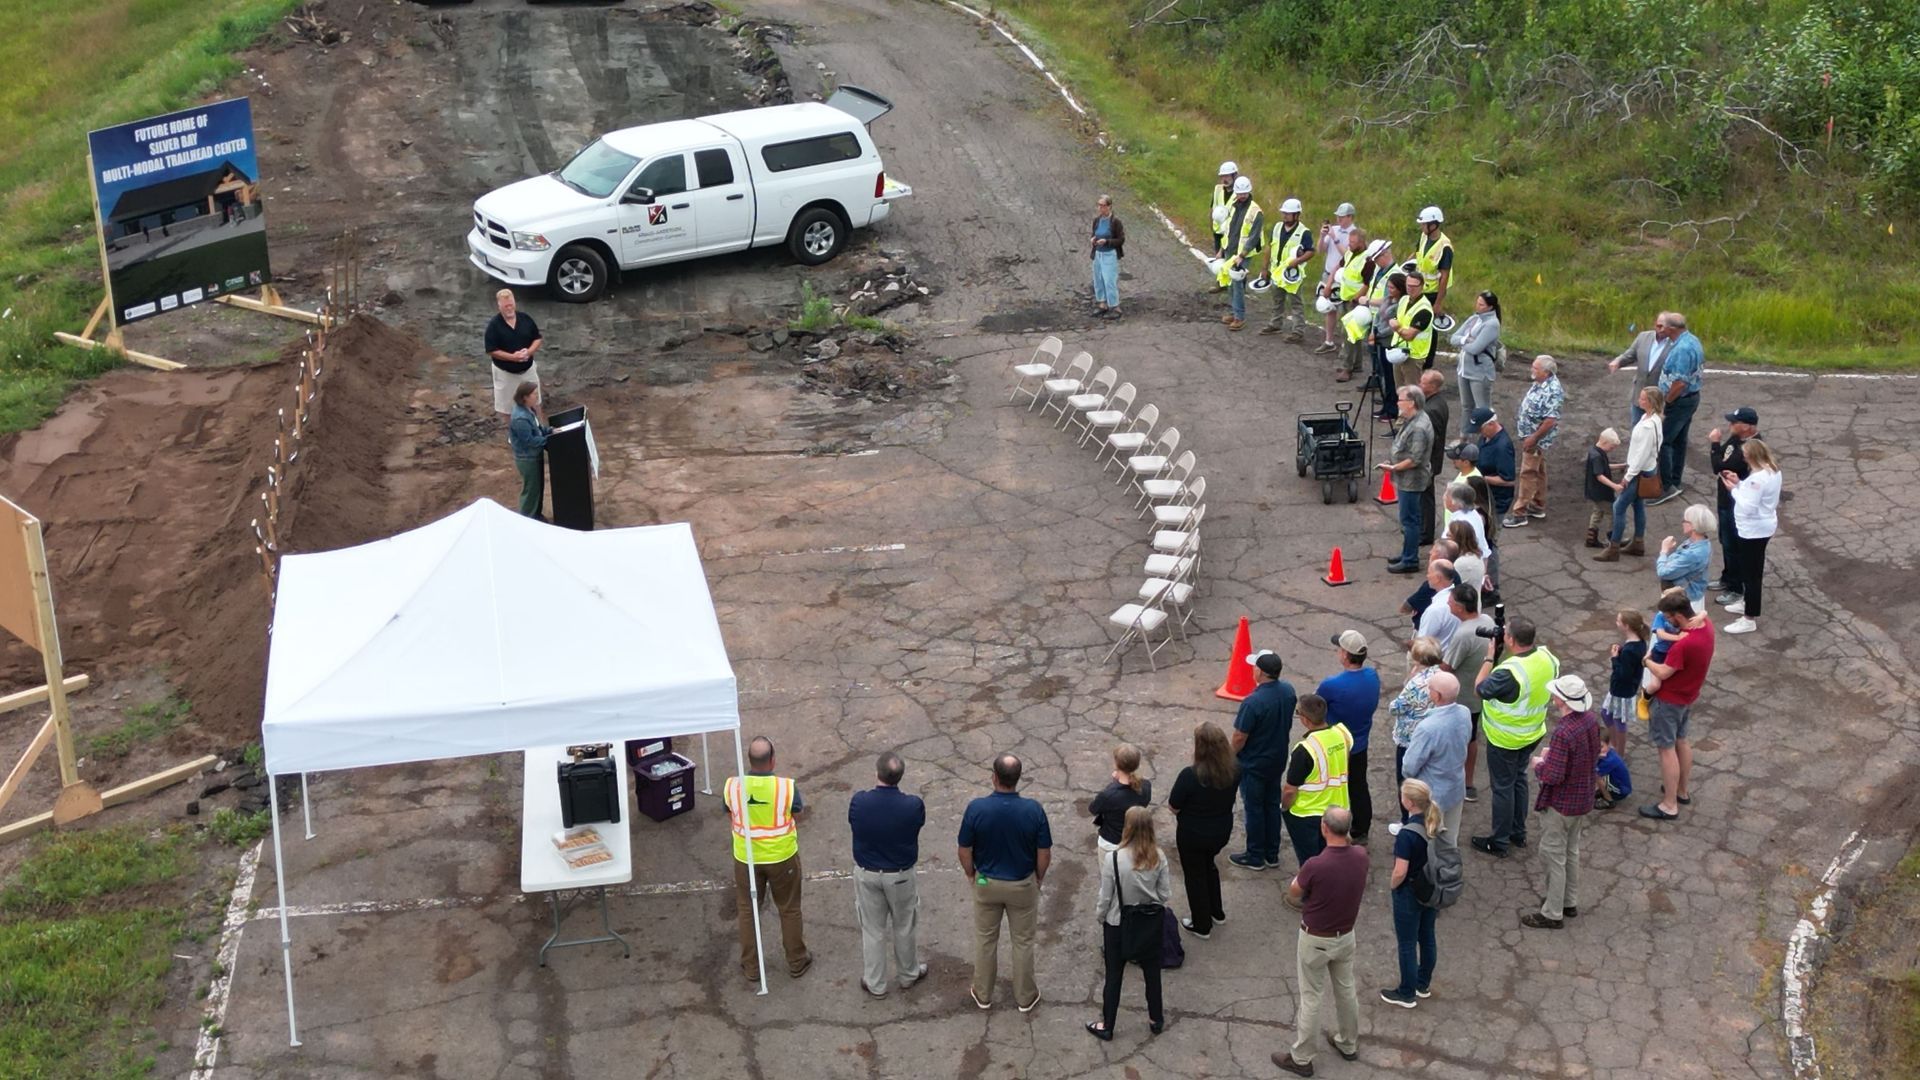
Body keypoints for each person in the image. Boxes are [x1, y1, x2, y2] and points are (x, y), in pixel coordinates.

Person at [1272, 807, 1369, 1076]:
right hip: (1345, 935)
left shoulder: (1315, 865)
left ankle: (1302, 1058)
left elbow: (1294, 892)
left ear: (1324, 828)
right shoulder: (1360, 856)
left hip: (1315, 937)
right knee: (1346, 989)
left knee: (1311, 997)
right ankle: (1348, 1042)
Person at [958, 753, 1052, 1010]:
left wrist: (971, 874)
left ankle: (983, 993)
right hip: (1022, 884)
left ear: (994, 777)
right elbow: (1044, 853)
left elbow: (964, 849)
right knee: (1023, 941)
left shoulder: (976, 808)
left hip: (986, 883)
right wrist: (1038, 878)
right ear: (1018, 778)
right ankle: (1025, 996)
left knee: (986, 938)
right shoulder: (1033, 810)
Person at [1471, 617, 1561, 857]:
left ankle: (1499, 841)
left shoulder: (1508, 673)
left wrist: (1490, 657)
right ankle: (1518, 833)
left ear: (1510, 639)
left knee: (1503, 787)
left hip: (1505, 738)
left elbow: (1480, 689)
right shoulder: (1548, 658)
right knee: (1519, 779)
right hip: (1532, 732)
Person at [723, 736, 811, 981]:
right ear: (772, 760)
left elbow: (730, 814)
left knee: (747, 910)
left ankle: (751, 966)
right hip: (782, 857)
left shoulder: (732, 786)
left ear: (749, 760)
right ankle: (796, 960)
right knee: (789, 909)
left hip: (746, 858)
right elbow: (798, 815)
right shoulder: (786, 788)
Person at [1523, 675, 1602, 929]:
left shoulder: (1563, 732)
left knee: (1552, 855)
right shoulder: (1590, 720)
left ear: (1563, 701)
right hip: (1582, 797)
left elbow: (1553, 776)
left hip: (1561, 804)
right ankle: (1568, 901)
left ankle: (1552, 912)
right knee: (1571, 851)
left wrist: (1539, 764)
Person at [848, 752, 928, 997]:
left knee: (872, 930)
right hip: (900, 875)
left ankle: (875, 983)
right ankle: (908, 974)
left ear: (877, 773)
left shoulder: (859, 802)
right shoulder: (913, 805)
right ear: (900, 776)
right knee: (904, 926)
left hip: (868, 874)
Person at [1088, 806, 1171, 1040]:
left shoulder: (1114, 858)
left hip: (1118, 923)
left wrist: (1101, 917)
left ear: (1127, 827)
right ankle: (1156, 1019)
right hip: (1148, 923)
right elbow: (1164, 894)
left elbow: (1105, 897)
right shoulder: (1159, 857)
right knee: (1152, 972)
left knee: (1114, 975)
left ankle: (1108, 1025)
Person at [1640, 593, 1715, 821]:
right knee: (1681, 741)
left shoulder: (1683, 645)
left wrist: (1647, 661)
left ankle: (1669, 805)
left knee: (1666, 749)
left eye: (1668, 617)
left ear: (1678, 616)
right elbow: (1704, 614)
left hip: (1668, 701)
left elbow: (1663, 672)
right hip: (1687, 696)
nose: (1666, 621)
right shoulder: (1706, 626)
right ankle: (1681, 791)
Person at [1229, 650, 1297, 871]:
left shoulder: (1253, 702)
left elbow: (1240, 736)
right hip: (1277, 759)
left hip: (1254, 763)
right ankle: (1272, 853)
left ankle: (1255, 854)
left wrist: (1229, 756)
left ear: (1260, 672)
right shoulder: (1288, 691)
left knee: (1254, 808)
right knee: (1271, 804)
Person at [1170, 721, 1238, 938]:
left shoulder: (1190, 775)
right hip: (1221, 830)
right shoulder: (1235, 769)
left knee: (1195, 876)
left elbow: (1174, 805)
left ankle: (1201, 924)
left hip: (1193, 835)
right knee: (1209, 866)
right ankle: (1216, 911)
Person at [1380, 779, 1442, 1007]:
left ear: (1409, 803)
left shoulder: (1406, 835)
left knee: (1407, 943)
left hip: (1409, 892)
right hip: (1431, 888)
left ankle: (1406, 992)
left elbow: (1400, 871)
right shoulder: (1433, 822)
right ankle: (1422, 983)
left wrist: (1393, 886)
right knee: (1427, 936)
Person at [1315, 630, 1379, 841]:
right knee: (1359, 786)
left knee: (1330, 787)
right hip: (1360, 743)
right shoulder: (1372, 676)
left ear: (1344, 654)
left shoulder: (1332, 685)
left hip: (1336, 745)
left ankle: (1330, 828)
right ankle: (1361, 829)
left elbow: (1316, 705)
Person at [1283, 693, 1354, 864]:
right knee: (1332, 857)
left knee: (1310, 862)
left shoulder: (1304, 749)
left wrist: (1284, 807)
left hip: (1307, 813)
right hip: (1338, 808)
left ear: (1304, 718)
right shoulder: (1342, 733)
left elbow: (1290, 790)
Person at [1720, 438, 1781, 636]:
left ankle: (1749, 618)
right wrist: (1740, 483)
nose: (1744, 458)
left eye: (1746, 455)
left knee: (1751, 574)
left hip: (1753, 530)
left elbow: (1749, 506)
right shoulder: (1772, 471)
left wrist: (1733, 490)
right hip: (1760, 526)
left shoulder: (1758, 479)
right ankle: (1747, 603)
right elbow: (1755, 494)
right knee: (1750, 570)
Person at [1438, 585, 1493, 802]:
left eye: (1451, 602)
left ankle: (1456, 784)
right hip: (1479, 694)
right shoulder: (1487, 621)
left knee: (1457, 741)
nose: (1448, 604)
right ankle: (1468, 783)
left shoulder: (1464, 634)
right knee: (1472, 739)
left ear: (1460, 608)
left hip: (1463, 698)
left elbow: (1447, 667)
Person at [1403, 672, 1470, 847]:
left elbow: (1409, 766)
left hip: (1431, 795)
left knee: (1426, 842)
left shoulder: (1428, 728)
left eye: (1430, 688)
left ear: (1437, 696)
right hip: (1455, 787)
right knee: (1449, 841)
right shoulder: (1464, 713)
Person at [1597, 388, 1664, 561]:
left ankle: (1613, 548)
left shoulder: (1647, 426)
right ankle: (1638, 542)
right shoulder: (1653, 419)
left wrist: (1628, 476)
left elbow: (1641, 455)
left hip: (1639, 472)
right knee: (1638, 504)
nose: (1639, 400)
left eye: (1643, 399)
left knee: (1618, 507)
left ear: (1650, 402)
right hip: (1647, 469)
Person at [1387, 637, 1443, 830]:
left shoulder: (1416, 682)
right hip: (1433, 734)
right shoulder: (1441, 675)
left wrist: (1408, 681)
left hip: (1409, 737)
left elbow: (1395, 707)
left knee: (1406, 782)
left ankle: (1407, 822)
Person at [1651, 312, 1705, 504]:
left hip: (1678, 401)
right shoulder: (1692, 340)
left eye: (1662, 326)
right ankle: (1675, 479)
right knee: (1679, 441)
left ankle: (1666, 486)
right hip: (1690, 399)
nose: (1659, 329)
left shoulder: (1682, 349)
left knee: (1663, 441)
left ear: (1671, 329)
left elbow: (1680, 383)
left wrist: (1666, 402)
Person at [1505, 356, 1565, 527]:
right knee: (1539, 470)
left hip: (1536, 439)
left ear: (1546, 372)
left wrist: (1534, 438)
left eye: (1535, 368)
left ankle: (1520, 513)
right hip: (1531, 436)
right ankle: (1538, 505)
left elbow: (1550, 420)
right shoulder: (1540, 383)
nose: (1532, 370)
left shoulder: (1553, 391)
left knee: (1528, 473)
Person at [1709, 407, 1760, 603]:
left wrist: (1714, 444)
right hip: (1726, 499)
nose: (1730, 425)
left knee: (1734, 546)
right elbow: (1723, 459)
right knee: (1725, 541)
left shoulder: (1752, 448)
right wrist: (1719, 452)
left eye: (1734, 422)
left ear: (1746, 426)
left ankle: (1736, 588)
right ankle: (1728, 577)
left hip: (1736, 503)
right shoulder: (1736, 439)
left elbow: (1719, 466)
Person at [1383, 386, 1435, 573]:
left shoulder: (1419, 427)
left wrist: (1394, 468)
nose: (1398, 403)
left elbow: (1415, 459)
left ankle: (1410, 560)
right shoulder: (1414, 419)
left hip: (1411, 480)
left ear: (1412, 403)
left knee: (1410, 521)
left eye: (1401, 400)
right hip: (1408, 478)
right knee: (1410, 519)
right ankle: (1407, 553)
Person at [1261, 197, 1315, 338]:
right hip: (1276, 271)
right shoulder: (1277, 227)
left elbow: (1310, 252)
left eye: (1287, 213)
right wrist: (1264, 268)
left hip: (1292, 274)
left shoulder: (1304, 232)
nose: (1284, 216)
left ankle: (1298, 331)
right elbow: (1269, 247)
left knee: (1295, 303)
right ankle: (1275, 324)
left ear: (1296, 215)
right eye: (1283, 213)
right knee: (1277, 300)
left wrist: (1298, 261)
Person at [485, 288, 542, 417]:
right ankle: (513, 430)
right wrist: (512, 357)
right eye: (506, 306)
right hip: (506, 374)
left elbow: (537, 338)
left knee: (535, 403)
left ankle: (539, 427)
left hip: (528, 370)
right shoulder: (494, 326)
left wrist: (529, 351)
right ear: (499, 306)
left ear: (515, 303)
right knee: (508, 409)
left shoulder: (525, 319)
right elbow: (491, 350)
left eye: (511, 305)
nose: (509, 308)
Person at [1450, 292, 1502, 431]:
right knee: (1466, 406)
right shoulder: (1473, 319)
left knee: (1482, 409)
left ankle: (1487, 438)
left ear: (1490, 307)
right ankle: (1464, 437)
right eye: (1477, 303)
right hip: (1464, 370)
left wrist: (1462, 343)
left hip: (1480, 373)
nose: (1477, 306)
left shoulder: (1492, 324)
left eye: (1481, 305)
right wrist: (1466, 340)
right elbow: (1453, 338)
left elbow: (1475, 349)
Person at [1325, 230, 1374, 378]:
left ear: (1361, 243)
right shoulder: (1349, 254)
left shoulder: (1368, 260)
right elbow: (1339, 267)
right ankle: (1357, 364)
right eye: (1349, 241)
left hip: (1357, 303)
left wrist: (1356, 299)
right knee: (1354, 334)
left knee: (1348, 334)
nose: (1349, 244)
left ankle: (1347, 367)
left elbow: (1367, 284)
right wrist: (1329, 284)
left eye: (1352, 242)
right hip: (1346, 299)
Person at [1217, 177, 1264, 331]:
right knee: (1230, 282)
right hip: (1230, 249)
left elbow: (1254, 237)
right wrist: (1222, 249)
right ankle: (1233, 312)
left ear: (1249, 192)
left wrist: (1242, 255)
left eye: (1245, 193)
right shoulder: (1233, 205)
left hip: (1243, 253)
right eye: (1239, 193)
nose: (1242, 196)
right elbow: (1228, 228)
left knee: (1237, 283)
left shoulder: (1256, 212)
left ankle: (1239, 317)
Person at [1602, 610, 1650, 759]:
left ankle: (1618, 751)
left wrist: (1615, 658)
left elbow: (1624, 674)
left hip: (1621, 691)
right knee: (1608, 714)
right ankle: (1615, 746)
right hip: (1625, 689)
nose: (1616, 623)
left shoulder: (1630, 650)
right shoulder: (1639, 642)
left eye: (1618, 621)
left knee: (1617, 720)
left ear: (1627, 626)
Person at [1605, 317, 1667, 426]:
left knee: (1657, 428)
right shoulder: (1643, 337)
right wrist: (1618, 361)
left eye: (1665, 327)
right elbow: (1631, 353)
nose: (1661, 329)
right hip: (1640, 393)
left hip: (1660, 397)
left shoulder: (1675, 343)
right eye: (1659, 326)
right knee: (1636, 426)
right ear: (1654, 324)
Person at [1089, 743, 1151, 852]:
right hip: (1134, 839)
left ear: (1116, 764)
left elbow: (1093, 809)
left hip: (1112, 841)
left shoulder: (1109, 794)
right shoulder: (1146, 786)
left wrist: (1114, 784)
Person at [1313, 203, 1358, 353]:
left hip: (1345, 277)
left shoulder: (1355, 234)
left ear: (1350, 217)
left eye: (1342, 217)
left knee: (1346, 311)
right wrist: (1322, 236)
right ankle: (1329, 340)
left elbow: (1348, 255)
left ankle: (1347, 345)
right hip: (1328, 273)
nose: (1338, 219)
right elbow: (1320, 250)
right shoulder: (1334, 230)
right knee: (1329, 308)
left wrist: (1335, 238)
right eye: (1338, 216)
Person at [1656, 505, 1717, 607]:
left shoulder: (1692, 554)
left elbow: (1664, 573)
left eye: (1685, 521)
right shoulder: (1702, 542)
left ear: (1693, 525)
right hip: (1692, 594)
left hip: (1683, 600)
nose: (1682, 523)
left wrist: (1664, 551)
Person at [507, 381, 551, 520]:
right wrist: (550, 440)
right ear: (525, 397)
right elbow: (529, 441)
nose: (536, 396)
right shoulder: (520, 418)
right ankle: (527, 518)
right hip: (527, 460)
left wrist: (550, 431)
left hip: (534, 456)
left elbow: (538, 429)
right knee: (531, 491)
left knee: (537, 489)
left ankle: (536, 515)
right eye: (534, 394)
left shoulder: (529, 410)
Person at [1419, 370, 1450, 543]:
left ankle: (1425, 533)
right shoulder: (1436, 402)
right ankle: (1422, 528)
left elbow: (1433, 440)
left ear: (1433, 386)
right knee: (1424, 497)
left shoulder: (1432, 409)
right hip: (1430, 461)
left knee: (1425, 498)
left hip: (1428, 462)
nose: (1419, 384)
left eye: (1423, 383)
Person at [1471, 408, 1517, 521]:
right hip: (1484, 498)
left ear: (1491, 424)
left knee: (1490, 531)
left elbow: (1509, 480)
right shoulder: (1486, 437)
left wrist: (1482, 478)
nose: (1479, 433)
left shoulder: (1502, 447)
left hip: (1495, 502)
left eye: (1480, 429)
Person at [1089, 195, 1126, 319]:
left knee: (1109, 280)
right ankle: (1102, 303)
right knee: (1098, 279)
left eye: (1103, 205)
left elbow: (1121, 239)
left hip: (1109, 254)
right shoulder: (1097, 220)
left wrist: (1107, 242)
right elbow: (1095, 233)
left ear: (1109, 206)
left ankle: (1115, 306)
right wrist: (1094, 239)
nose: (1100, 208)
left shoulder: (1115, 222)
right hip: (1098, 254)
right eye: (1099, 205)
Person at [1584, 428, 1623, 548]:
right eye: (1611, 447)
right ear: (1605, 442)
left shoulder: (1595, 451)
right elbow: (1599, 475)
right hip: (1601, 492)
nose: (1612, 449)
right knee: (1613, 513)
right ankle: (1613, 538)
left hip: (1594, 491)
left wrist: (1621, 465)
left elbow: (1604, 466)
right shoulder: (1597, 456)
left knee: (1597, 511)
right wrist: (1614, 486)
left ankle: (1591, 538)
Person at [1412, 205, 1454, 314]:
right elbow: (1416, 253)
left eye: (1423, 224)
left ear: (1433, 225)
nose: (1421, 227)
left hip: (1432, 293)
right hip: (1419, 286)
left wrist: (1438, 303)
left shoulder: (1445, 247)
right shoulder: (1424, 236)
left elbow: (1444, 277)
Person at [1414, 568, 1461, 645]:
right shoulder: (1456, 598)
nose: (1427, 576)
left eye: (1429, 573)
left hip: (1436, 651)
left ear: (1437, 578)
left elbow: (1422, 644)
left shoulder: (1434, 610)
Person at [1595, 728, 1633, 809]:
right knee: (1598, 774)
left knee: (1596, 776)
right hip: (1619, 785)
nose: (1598, 750)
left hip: (1620, 791)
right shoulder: (1609, 751)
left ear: (1608, 744)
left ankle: (1609, 800)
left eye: (1601, 747)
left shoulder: (1609, 760)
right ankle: (1602, 790)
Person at [1209, 161, 1238, 252]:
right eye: (1222, 176)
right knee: (1218, 257)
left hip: (1231, 233)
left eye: (1227, 176)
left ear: (1234, 176)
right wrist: (1211, 225)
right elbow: (1212, 207)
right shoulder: (1218, 189)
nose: (1224, 179)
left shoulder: (1239, 193)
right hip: (1218, 231)